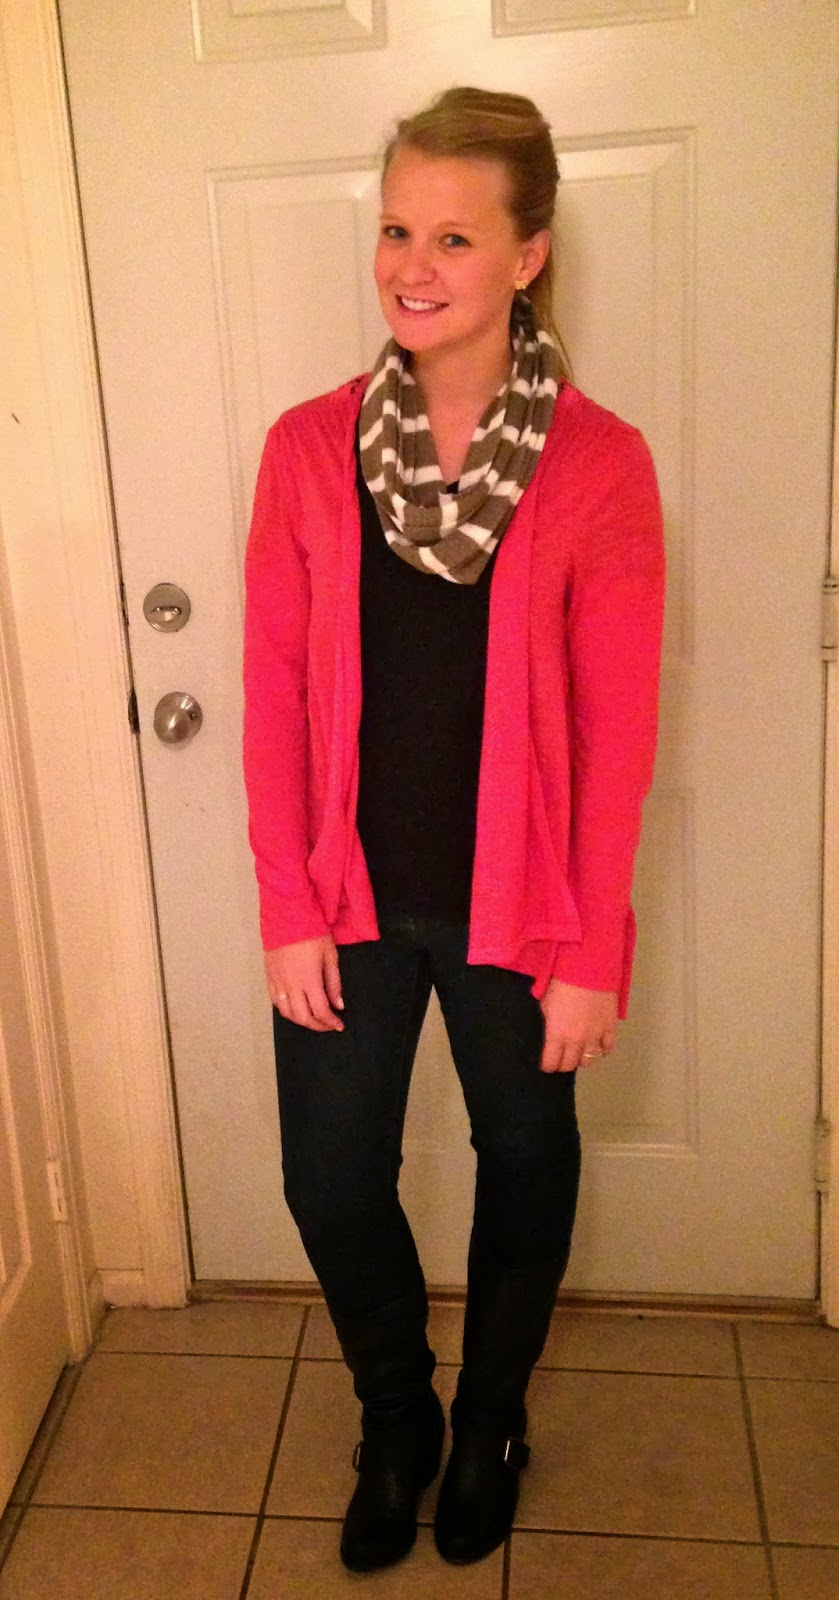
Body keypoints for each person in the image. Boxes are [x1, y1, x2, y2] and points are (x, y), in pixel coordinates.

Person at [243, 85, 666, 1573]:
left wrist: (592, 947)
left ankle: (489, 1424)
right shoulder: (309, 448)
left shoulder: (598, 462)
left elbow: (617, 734)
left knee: (526, 1165)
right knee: (329, 1175)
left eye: (453, 237)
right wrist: (287, 907)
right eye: (395, 232)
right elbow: (275, 695)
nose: (411, 268)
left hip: (522, 905)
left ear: (527, 255)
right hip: (347, 893)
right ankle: (399, 1416)